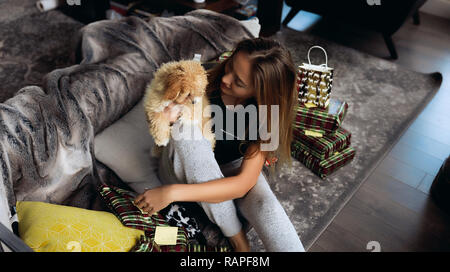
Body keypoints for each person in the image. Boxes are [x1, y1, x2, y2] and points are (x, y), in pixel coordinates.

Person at [133, 37, 305, 252]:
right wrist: (167, 113)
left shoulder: (267, 115)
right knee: (186, 131)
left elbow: (243, 183)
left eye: (239, 82)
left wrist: (171, 194)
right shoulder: (201, 80)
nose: (225, 78)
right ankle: (238, 239)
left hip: (228, 170)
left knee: (268, 209)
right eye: (231, 66)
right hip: (181, 167)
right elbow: (161, 114)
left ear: (260, 93)